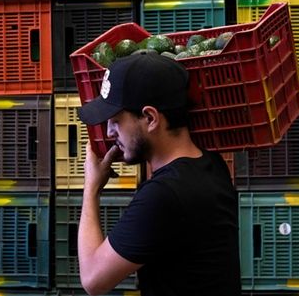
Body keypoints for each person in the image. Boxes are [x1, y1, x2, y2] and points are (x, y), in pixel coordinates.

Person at [76, 51, 241, 296]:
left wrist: (91, 189)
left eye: (116, 120)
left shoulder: (164, 195)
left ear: (150, 118)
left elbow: (93, 280)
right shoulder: (211, 165)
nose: (109, 131)